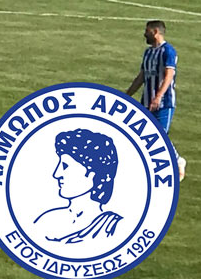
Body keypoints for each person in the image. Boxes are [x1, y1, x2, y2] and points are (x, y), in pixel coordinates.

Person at [32, 129, 123, 243]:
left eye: (65, 166)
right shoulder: (46, 221)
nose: (56, 174)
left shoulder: (115, 227)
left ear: (92, 173)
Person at [126, 19, 187, 180]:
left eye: (147, 31)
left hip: (164, 102)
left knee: (160, 135)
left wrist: (158, 96)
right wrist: (127, 95)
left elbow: (169, 75)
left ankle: (177, 161)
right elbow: (142, 76)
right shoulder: (148, 53)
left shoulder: (168, 51)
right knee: (143, 135)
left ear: (155, 32)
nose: (144, 34)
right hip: (146, 102)